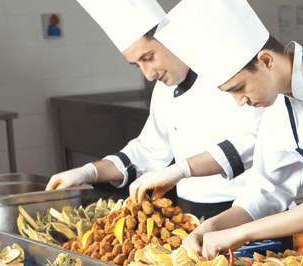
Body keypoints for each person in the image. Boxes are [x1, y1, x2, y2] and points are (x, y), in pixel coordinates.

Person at [149, 0, 303, 259]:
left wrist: (242, 233)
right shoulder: (279, 105)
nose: (240, 101)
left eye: (238, 88)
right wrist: (212, 226)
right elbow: (268, 190)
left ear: (266, 61)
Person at [45, 0, 264, 220]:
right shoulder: (163, 90)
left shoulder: (226, 70)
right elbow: (148, 151)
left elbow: (256, 139)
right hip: (193, 212)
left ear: (172, 38)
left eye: (148, 58)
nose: (148, 74)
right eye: (137, 65)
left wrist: (181, 169)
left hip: (250, 209)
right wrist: (88, 172)